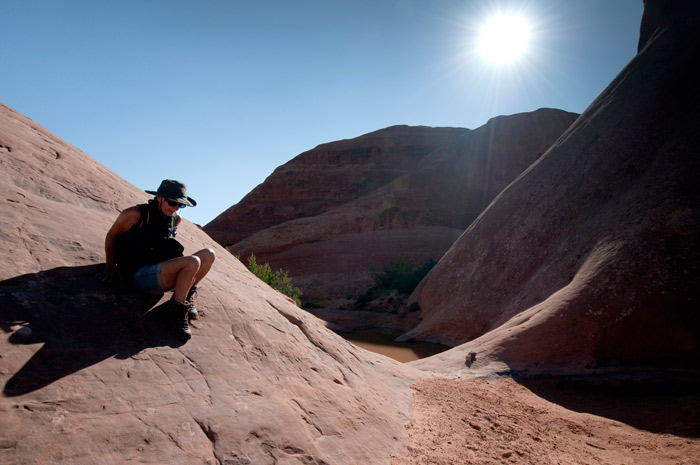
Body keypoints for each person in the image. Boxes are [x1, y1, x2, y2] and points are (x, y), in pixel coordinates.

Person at [97, 179, 215, 340]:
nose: (175, 208)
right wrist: (110, 267)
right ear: (159, 197)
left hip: (160, 269)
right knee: (192, 262)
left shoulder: (175, 219)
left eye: (180, 205)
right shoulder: (136, 214)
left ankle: (185, 296)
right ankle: (176, 312)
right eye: (173, 202)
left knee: (209, 254)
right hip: (139, 274)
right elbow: (112, 236)